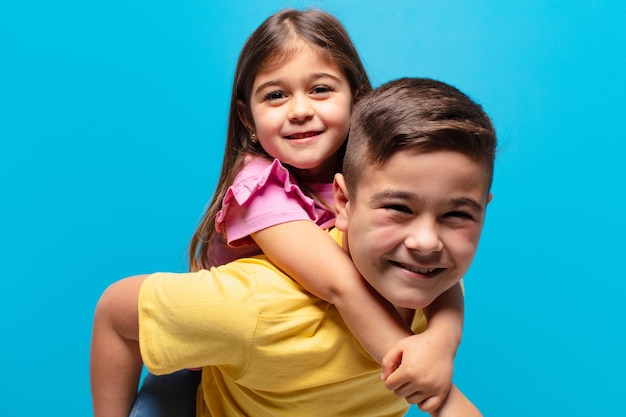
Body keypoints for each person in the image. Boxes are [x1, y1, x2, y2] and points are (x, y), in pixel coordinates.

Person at [90, 76, 497, 417]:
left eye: (457, 215)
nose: (426, 243)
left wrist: (443, 338)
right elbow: (114, 313)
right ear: (343, 203)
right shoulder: (257, 309)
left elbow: (449, 290)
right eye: (398, 208)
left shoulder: (424, 277)